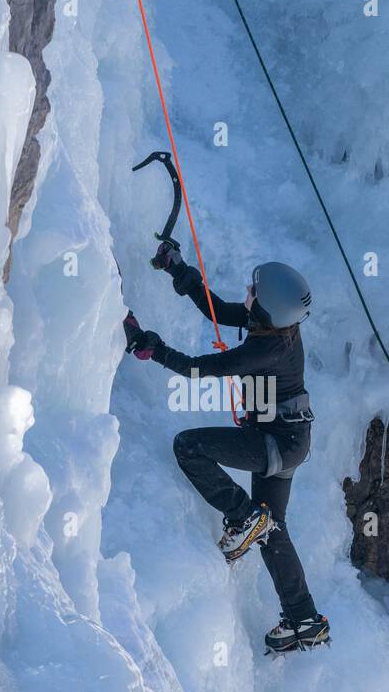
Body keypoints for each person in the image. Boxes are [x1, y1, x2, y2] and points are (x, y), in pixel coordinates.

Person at [123, 241, 329, 654]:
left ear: (268, 307)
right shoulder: (275, 326)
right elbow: (216, 310)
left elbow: (200, 369)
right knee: (272, 530)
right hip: (288, 440)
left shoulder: (263, 348)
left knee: (189, 446)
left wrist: (154, 348)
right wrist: (179, 270)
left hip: (275, 442)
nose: (247, 293)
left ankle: (243, 514)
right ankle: (304, 619)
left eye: (253, 291)